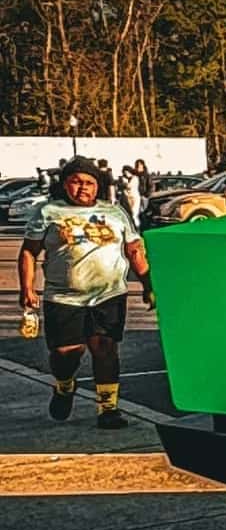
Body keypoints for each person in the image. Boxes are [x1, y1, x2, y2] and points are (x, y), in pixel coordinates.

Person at [17, 157, 152, 429]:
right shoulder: (49, 212)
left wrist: (149, 284)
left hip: (109, 294)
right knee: (67, 354)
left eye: (89, 183)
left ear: (98, 185)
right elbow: (29, 251)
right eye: (75, 182)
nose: (82, 188)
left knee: (105, 350)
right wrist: (27, 288)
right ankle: (65, 386)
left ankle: (108, 409)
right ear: (65, 184)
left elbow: (134, 250)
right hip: (64, 297)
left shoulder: (115, 213)